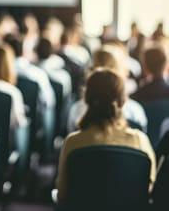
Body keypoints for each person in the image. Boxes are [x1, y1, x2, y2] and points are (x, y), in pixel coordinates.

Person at [56, 69, 156, 205]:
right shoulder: (140, 142)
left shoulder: (73, 143)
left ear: (87, 99)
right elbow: (150, 191)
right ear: (122, 101)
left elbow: (62, 193)